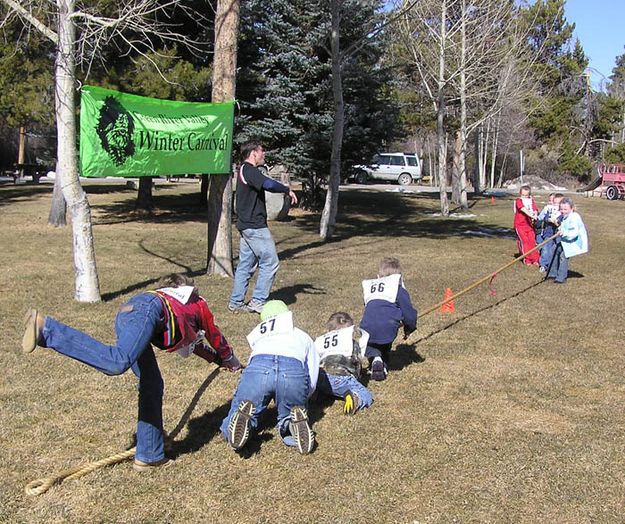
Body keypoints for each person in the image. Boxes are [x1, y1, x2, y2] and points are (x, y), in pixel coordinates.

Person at [21, 273, 241, 471]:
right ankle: (47, 329)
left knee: (152, 383)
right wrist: (230, 357)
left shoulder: (175, 307)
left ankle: (150, 454)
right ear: (187, 289)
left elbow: (195, 342)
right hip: (147, 312)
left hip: (127, 313)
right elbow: (214, 333)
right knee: (117, 362)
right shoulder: (195, 302)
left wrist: (218, 360)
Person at [220, 300, 318, 454]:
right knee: (291, 410)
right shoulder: (302, 335)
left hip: (259, 368)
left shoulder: (260, 335)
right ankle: (291, 424)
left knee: (243, 407)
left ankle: (241, 423)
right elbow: (312, 372)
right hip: (292, 370)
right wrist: (305, 396)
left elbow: (253, 361)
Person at [228, 141, 298, 314]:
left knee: (246, 264)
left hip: (247, 225)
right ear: (253, 153)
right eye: (261, 151)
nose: (264, 154)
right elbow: (268, 184)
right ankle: (258, 301)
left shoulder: (244, 170)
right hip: (254, 226)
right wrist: (286, 189)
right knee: (270, 262)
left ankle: (235, 303)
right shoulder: (250, 170)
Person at [360, 257, 418, 381]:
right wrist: (409, 328)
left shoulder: (371, 287)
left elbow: (369, 307)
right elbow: (409, 314)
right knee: (384, 346)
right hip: (388, 325)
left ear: (378, 276)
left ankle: (375, 360)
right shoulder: (398, 289)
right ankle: (381, 363)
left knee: (370, 345)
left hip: (366, 325)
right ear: (399, 277)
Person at [314, 312, 373, 415]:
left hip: (321, 376)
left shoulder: (322, 341)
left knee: (325, 385)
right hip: (341, 377)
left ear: (329, 329)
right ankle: (356, 399)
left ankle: (317, 393)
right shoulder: (352, 343)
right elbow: (356, 362)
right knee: (366, 395)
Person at [548, 197, 588, 284]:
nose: (563, 211)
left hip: (574, 240)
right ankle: (552, 273)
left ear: (572, 208)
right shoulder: (563, 216)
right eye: (561, 209)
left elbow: (574, 232)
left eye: (565, 209)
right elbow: (559, 222)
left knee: (563, 256)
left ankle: (561, 278)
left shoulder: (574, 217)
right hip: (564, 239)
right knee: (554, 250)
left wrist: (564, 233)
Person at [536, 192, 564, 272]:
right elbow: (544, 218)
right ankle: (543, 265)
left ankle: (554, 265)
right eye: (555, 203)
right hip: (548, 232)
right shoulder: (549, 209)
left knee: (555, 249)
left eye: (559, 203)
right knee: (546, 248)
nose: (556, 205)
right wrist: (549, 219)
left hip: (558, 234)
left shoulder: (563, 211)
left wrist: (557, 221)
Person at [514, 185, 540, 266]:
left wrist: (535, 214)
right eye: (523, 195)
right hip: (520, 225)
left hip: (529, 225)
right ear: (520, 194)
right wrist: (530, 215)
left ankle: (535, 259)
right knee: (524, 241)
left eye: (526, 195)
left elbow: (535, 209)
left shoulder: (531, 200)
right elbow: (522, 209)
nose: (525, 197)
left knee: (532, 241)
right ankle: (527, 258)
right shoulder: (518, 200)